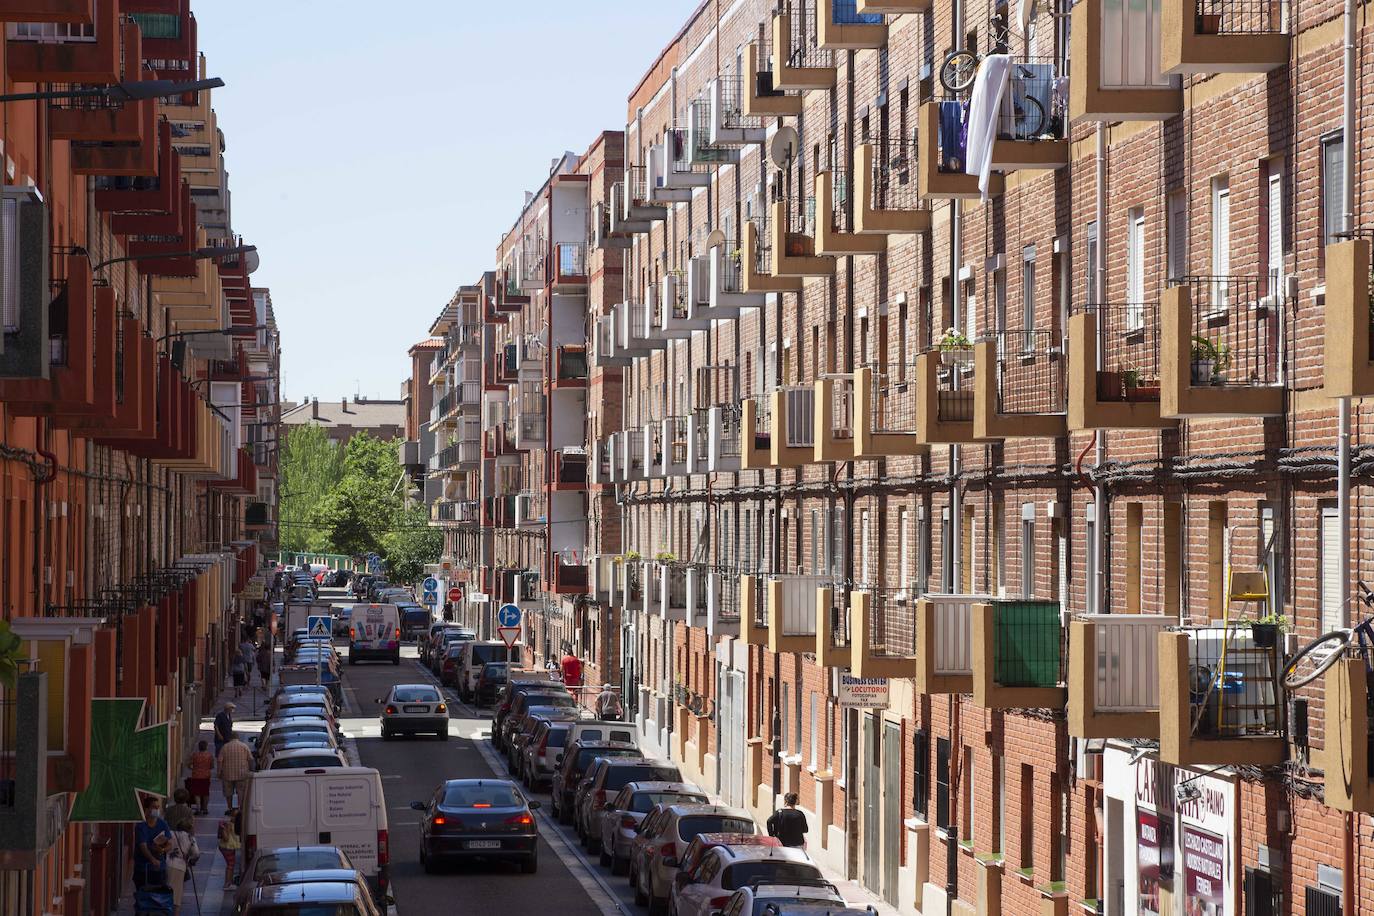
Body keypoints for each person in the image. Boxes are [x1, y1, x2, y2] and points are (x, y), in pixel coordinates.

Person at [133, 796, 173, 889]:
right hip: (143, 868)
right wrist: (152, 860)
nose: (157, 809)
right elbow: (143, 846)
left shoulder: (163, 824)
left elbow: (170, 844)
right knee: (143, 895)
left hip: (160, 868)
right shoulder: (141, 826)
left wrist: (162, 850)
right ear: (147, 809)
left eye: (158, 807)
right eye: (154, 807)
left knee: (159, 895)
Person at [166, 820, 199, 914]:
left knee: (166, 891)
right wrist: (191, 861)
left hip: (166, 864)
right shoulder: (190, 837)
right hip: (179, 867)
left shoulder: (170, 833)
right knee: (176, 896)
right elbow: (196, 853)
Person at [216, 732, 253, 808]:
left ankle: (230, 808)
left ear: (230, 738)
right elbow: (250, 759)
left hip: (227, 774)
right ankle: (240, 808)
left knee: (228, 793)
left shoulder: (225, 747)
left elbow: (220, 761)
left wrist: (219, 772)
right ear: (238, 738)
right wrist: (251, 770)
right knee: (241, 792)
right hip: (242, 774)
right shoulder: (244, 746)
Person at [186, 740, 214, 815]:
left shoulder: (194, 755)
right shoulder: (209, 756)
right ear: (206, 747)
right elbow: (212, 766)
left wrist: (193, 768)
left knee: (197, 793)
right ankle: (205, 809)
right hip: (206, 776)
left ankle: (198, 809)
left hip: (196, 776)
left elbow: (188, 764)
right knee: (205, 793)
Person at [217, 807, 241, 890]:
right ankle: (227, 884)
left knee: (231, 864)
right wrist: (224, 829)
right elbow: (226, 838)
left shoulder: (232, 824)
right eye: (235, 817)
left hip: (228, 847)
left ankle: (229, 882)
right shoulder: (228, 824)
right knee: (230, 865)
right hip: (227, 847)